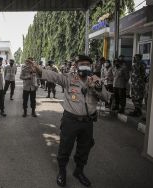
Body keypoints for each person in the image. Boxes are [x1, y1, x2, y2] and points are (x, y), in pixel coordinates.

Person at [35, 55, 110, 187]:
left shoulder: (95, 80)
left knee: (84, 148)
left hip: (87, 122)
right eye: (81, 64)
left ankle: (79, 171)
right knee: (65, 146)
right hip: (70, 120)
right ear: (76, 66)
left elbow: (106, 97)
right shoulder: (69, 79)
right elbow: (55, 77)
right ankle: (62, 172)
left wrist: (97, 88)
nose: (84, 66)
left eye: (87, 64)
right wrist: (39, 70)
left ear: (91, 66)